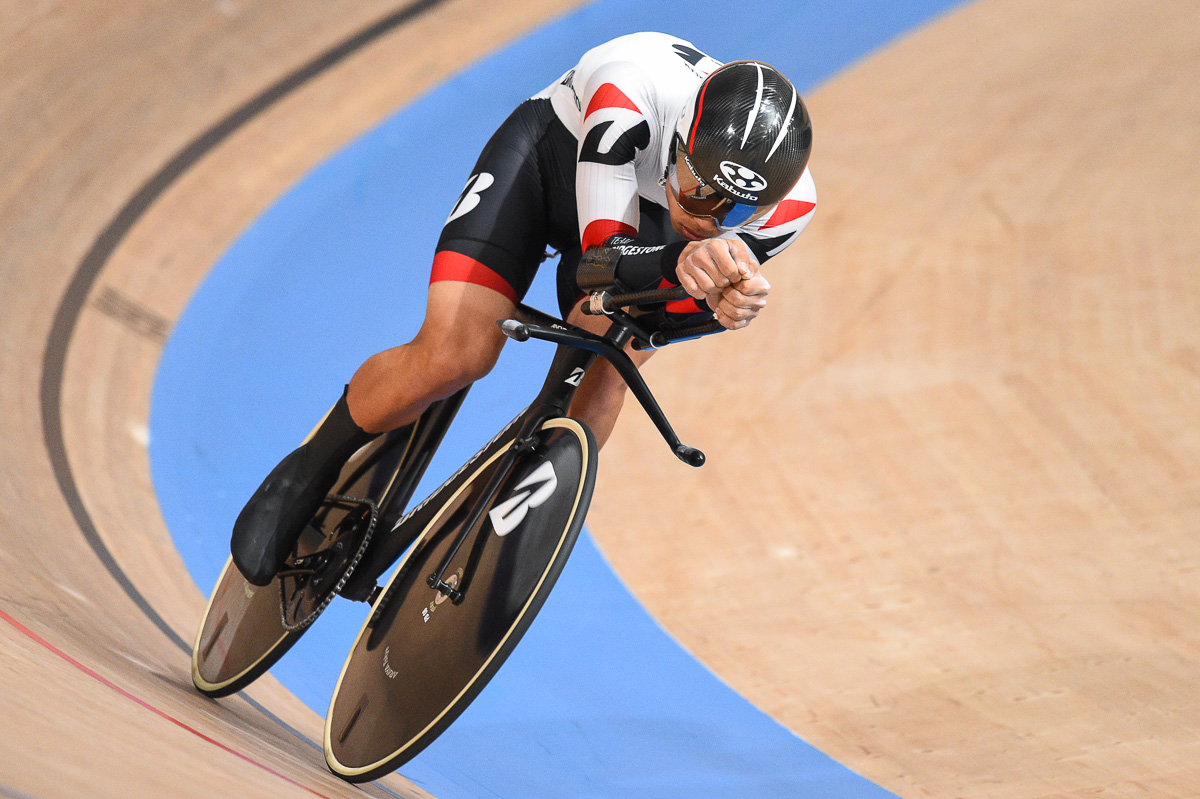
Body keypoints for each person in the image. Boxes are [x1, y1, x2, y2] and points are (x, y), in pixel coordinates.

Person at [231, 31, 817, 586]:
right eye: (697, 188)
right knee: (454, 355)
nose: (706, 217)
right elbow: (598, 266)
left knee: (614, 363)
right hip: (549, 166)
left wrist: (723, 307)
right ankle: (310, 466)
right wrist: (680, 267)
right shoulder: (630, 88)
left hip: (646, 237)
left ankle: (517, 530)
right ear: (681, 135)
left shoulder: (791, 206)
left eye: (733, 212)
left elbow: (673, 311)